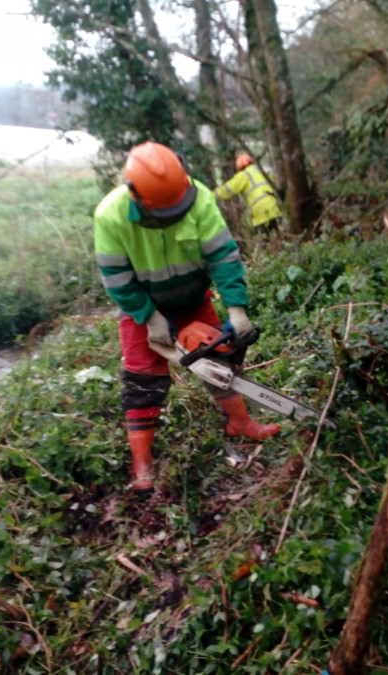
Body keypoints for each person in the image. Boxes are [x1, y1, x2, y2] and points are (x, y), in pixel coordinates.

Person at [93, 141, 280, 494]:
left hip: (193, 297)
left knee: (219, 362)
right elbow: (116, 278)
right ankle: (142, 462)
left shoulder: (200, 196)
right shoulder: (111, 215)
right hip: (142, 308)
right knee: (142, 380)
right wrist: (148, 317)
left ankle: (239, 423)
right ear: (135, 194)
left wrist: (237, 309)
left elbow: (223, 255)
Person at [214, 154, 282, 244]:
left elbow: (227, 190)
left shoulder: (243, 176)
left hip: (260, 212)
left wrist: (211, 195)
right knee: (281, 236)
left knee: (262, 241)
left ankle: (262, 255)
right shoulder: (263, 169)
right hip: (275, 207)